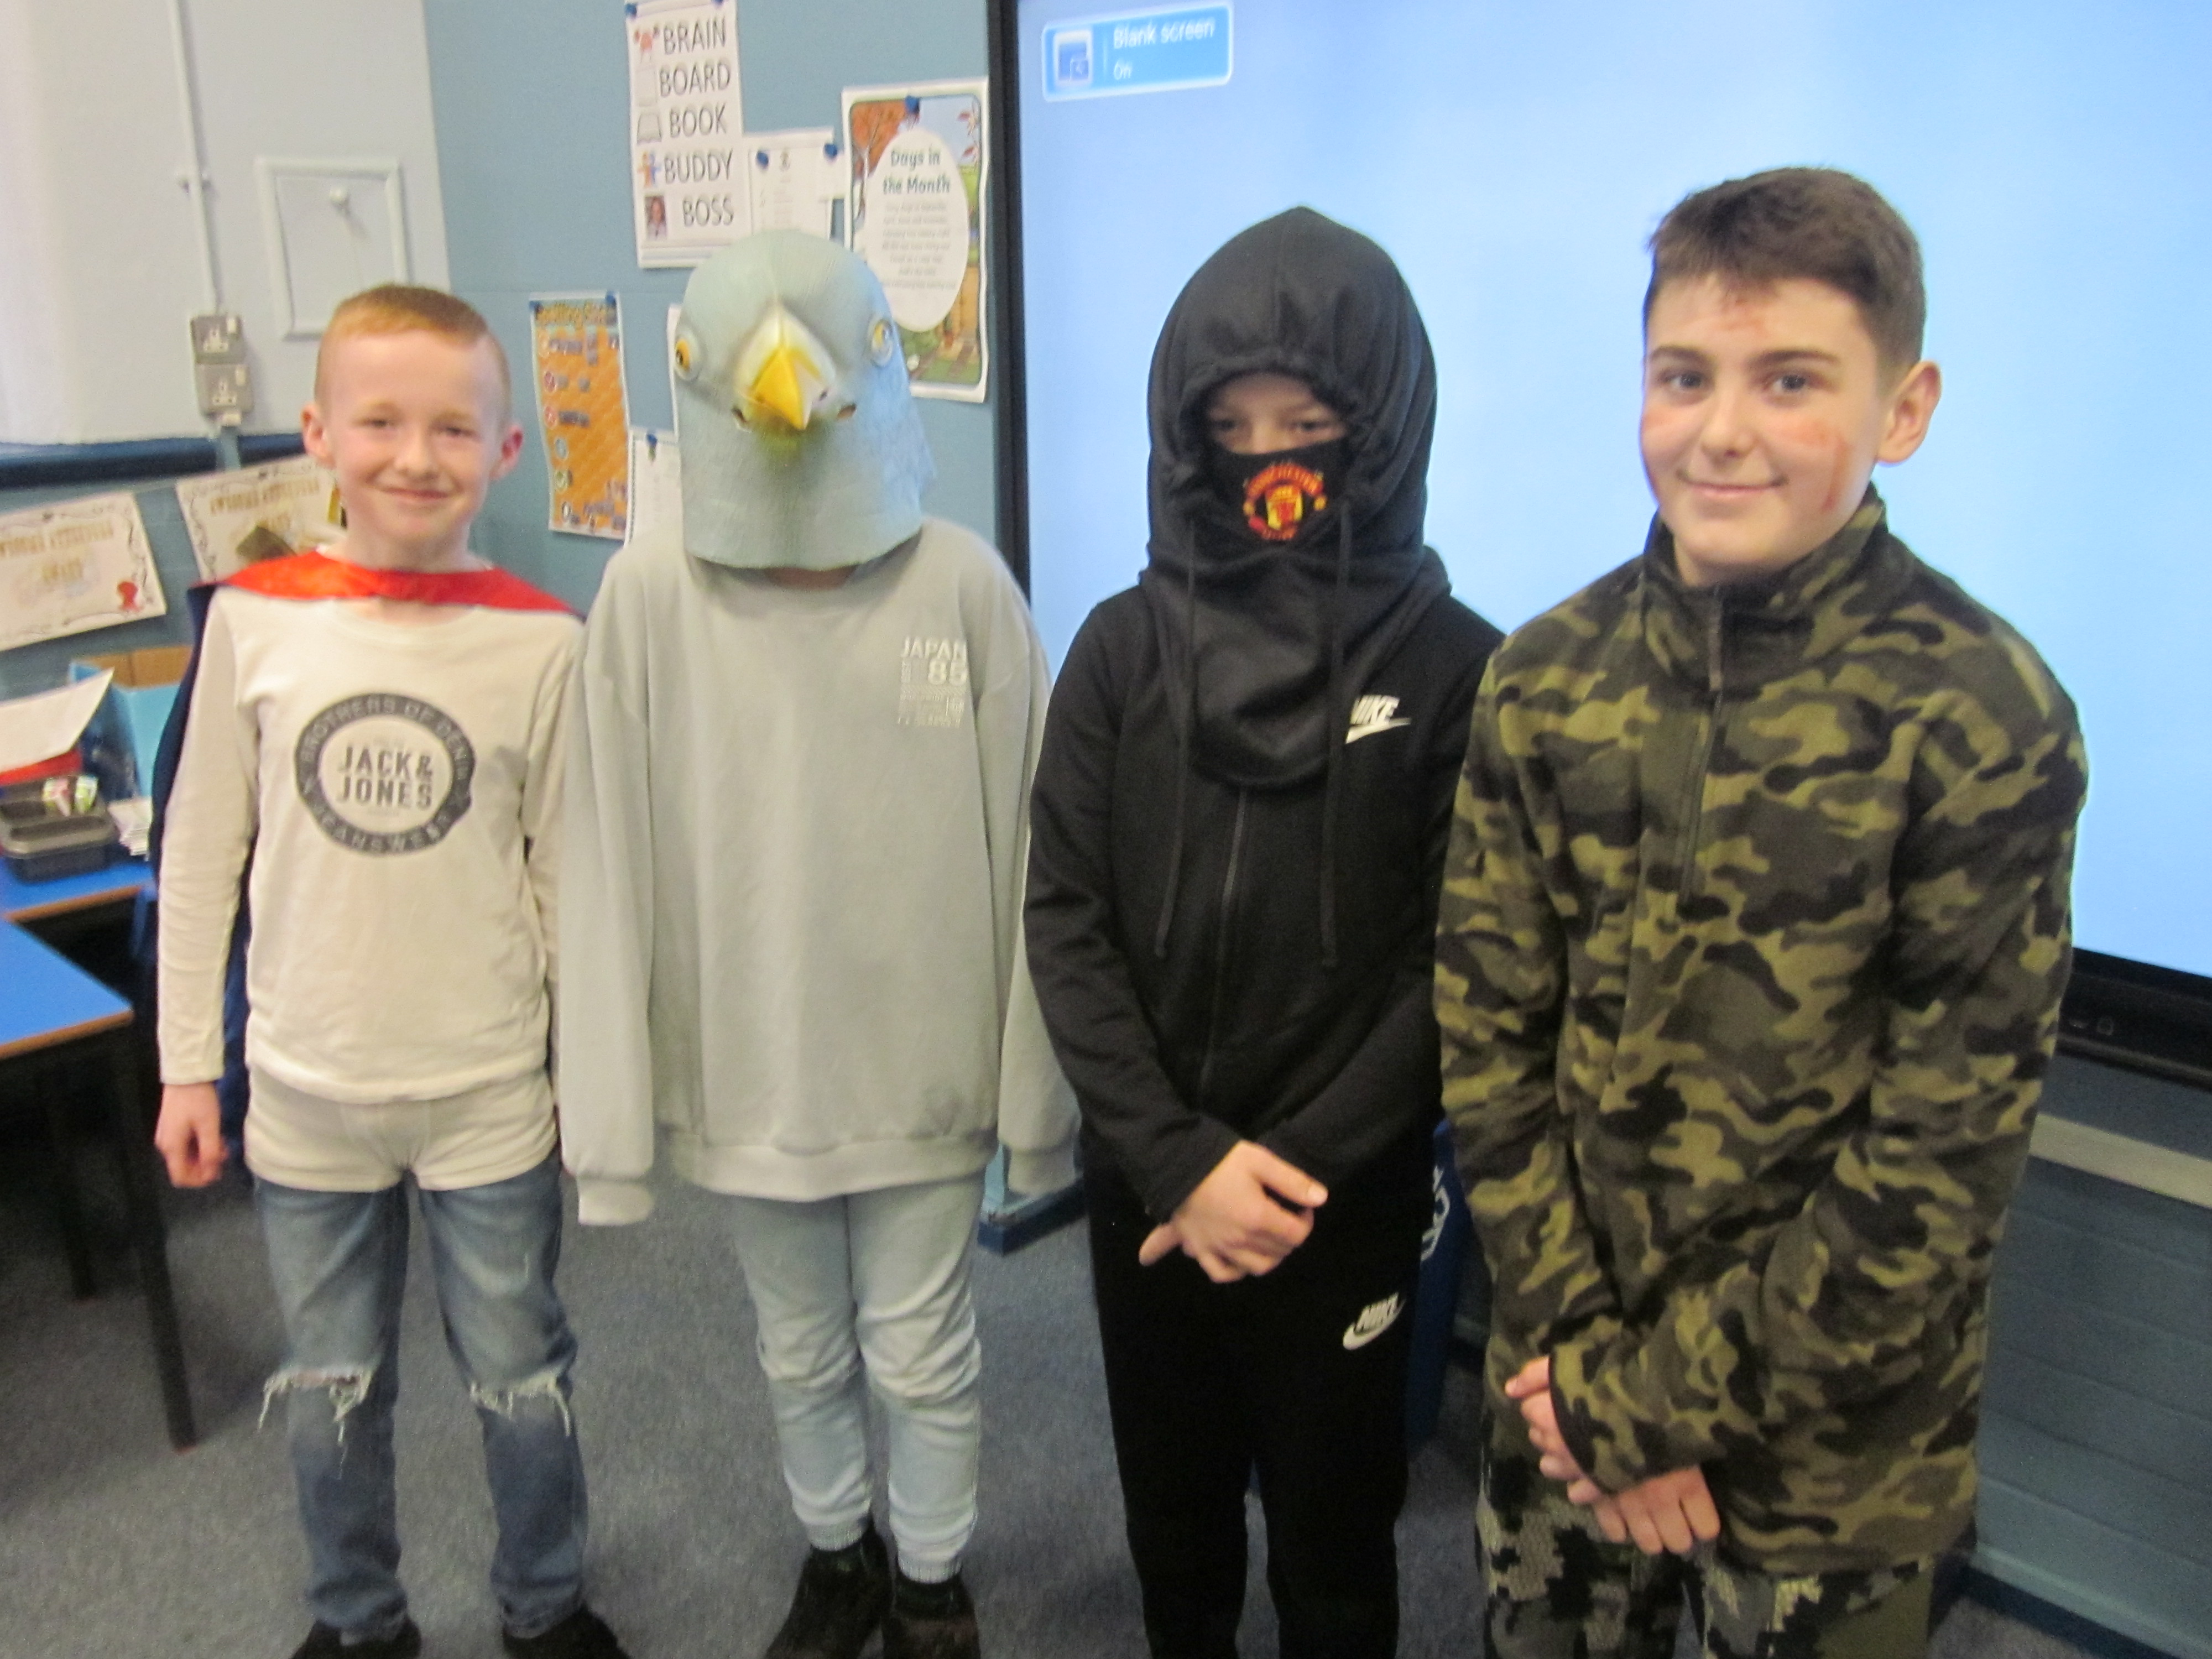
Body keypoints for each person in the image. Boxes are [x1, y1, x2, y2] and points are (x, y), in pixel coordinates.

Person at [1436, 166, 2089, 1658]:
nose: (1720, 429)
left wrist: (1645, 1408)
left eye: (1789, 380)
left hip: (1829, 1461)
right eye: (1684, 376)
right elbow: (1487, 1044)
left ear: (1902, 410)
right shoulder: (1543, 682)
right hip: (1562, 1391)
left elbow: (1933, 1170)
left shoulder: (1983, 718)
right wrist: (1588, 1376)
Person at [556, 231, 1075, 1659]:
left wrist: (1033, 1101)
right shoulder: (647, 599)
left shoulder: (960, 587)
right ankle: (839, 1553)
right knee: (796, 1345)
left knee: (922, 1345)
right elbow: (605, 863)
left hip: (922, 1065)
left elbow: (1037, 850)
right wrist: (611, 1126)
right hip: (750, 1067)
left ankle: (932, 1579)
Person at [1025, 207, 1504, 1659]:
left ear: (1381, 429)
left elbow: (1455, 967)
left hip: (1336, 1201)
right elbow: (1066, 921)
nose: (1266, 459)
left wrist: (1282, 1174)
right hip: (1151, 1190)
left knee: (1334, 1540)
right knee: (1173, 1525)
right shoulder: (1118, 651)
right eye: (1230, 429)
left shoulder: (1457, 668)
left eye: (1306, 425)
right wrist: (1179, 1162)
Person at [152, 285, 628, 1659]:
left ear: (506, 450)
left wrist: (588, 1080)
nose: (415, 457)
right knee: (331, 1388)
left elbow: (567, 880)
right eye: (378, 422)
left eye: (452, 429)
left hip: (487, 1089)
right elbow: (200, 859)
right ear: (317, 433)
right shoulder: (254, 621)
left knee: (522, 1378)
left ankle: (545, 1605)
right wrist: (189, 1068)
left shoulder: (543, 642)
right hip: (309, 1093)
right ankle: (358, 1620)